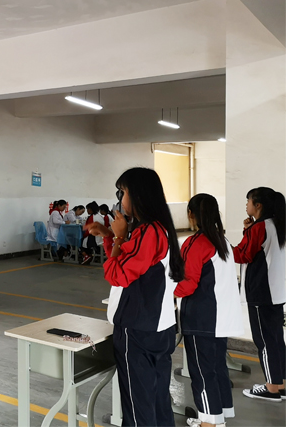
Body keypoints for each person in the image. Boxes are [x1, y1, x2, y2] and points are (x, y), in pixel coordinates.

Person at [88, 167, 184, 427]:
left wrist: (119, 236)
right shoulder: (157, 229)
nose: (120, 199)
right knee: (157, 400)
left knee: (138, 405)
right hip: (159, 327)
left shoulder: (148, 232)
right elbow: (129, 258)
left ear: (139, 194)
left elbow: (116, 274)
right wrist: (110, 236)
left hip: (138, 330)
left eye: (123, 192)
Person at [175, 194, 243, 427]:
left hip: (201, 318)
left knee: (202, 372)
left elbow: (187, 284)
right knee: (216, 367)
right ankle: (221, 414)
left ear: (191, 214)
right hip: (220, 317)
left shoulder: (196, 243)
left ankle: (209, 422)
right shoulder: (222, 240)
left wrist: (165, 292)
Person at [232, 187, 286, 402]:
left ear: (258, 205)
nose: (246, 205)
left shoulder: (260, 227)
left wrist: (222, 245)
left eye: (248, 201)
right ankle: (280, 383)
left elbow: (242, 255)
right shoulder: (276, 224)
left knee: (264, 340)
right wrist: (249, 230)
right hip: (276, 291)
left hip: (261, 292)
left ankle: (271, 388)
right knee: (276, 339)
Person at [81, 201, 103, 265]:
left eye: (87, 209)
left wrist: (83, 235)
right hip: (101, 237)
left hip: (93, 238)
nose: (87, 211)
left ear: (91, 209)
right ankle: (89, 256)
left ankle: (86, 256)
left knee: (79, 242)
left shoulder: (91, 217)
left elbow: (89, 230)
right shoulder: (100, 216)